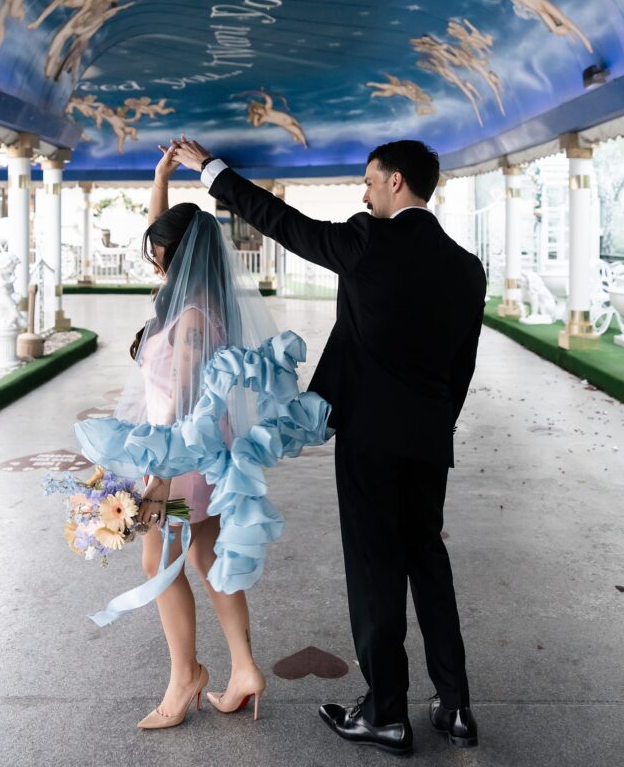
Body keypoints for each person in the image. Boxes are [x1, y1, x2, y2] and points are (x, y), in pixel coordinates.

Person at [173, 135, 487, 756]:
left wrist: (211, 171)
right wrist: (432, 425)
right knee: (427, 562)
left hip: (371, 436)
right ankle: (454, 707)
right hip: (428, 438)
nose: (364, 191)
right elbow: (462, 367)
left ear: (397, 182)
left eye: (370, 180)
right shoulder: (465, 265)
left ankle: (386, 714)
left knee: (375, 572)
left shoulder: (368, 240)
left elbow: (283, 223)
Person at [131, 143, 266, 730]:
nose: (152, 257)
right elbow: (164, 235)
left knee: (157, 560)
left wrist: (157, 481)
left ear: (176, 257)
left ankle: (186, 676)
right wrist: (161, 178)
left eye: (159, 251)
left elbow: (184, 406)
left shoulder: (187, 319)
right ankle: (243, 669)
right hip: (204, 455)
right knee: (208, 556)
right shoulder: (189, 301)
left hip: (182, 457)